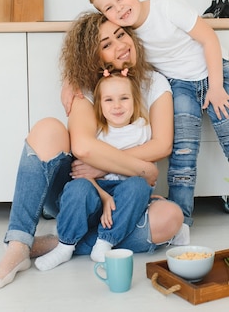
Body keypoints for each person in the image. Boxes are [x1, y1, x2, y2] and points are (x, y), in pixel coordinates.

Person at [0, 11, 184, 290]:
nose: (120, 45)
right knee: (48, 128)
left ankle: (62, 242)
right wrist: (142, 168)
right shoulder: (87, 85)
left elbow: (162, 145)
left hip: (125, 193)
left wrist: (108, 165)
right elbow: (84, 148)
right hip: (80, 188)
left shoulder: (154, 82)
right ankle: (18, 245)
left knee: (171, 218)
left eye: (121, 35)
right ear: (95, 56)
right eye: (106, 44)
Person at [85, 0, 229, 232]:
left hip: (214, 73)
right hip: (180, 86)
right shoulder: (126, 36)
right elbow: (90, 53)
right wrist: (69, 84)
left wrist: (217, 87)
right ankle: (182, 220)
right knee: (183, 154)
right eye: (109, 7)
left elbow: (209, 38)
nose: (119, 8)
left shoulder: (167, 8)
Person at [34, 66, 160, 270]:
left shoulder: (142, 131)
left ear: (134, 100)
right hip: (95, 192)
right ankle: (65, 245)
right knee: (78, 188)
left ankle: (105, 242)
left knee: (139, 186)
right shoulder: (96, 132)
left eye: (124, 98)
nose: (117, 106)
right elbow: (79, 172)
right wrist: (103, 196)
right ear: (99, 105)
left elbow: (146, 172)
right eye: (109, 100)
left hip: (123, 196)